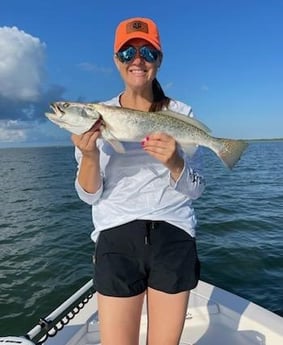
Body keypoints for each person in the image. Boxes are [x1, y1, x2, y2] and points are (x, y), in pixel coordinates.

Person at [71, 17, 205, 345]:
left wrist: (175, 162)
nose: (138, 60)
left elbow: (197, 188)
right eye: (128, 53)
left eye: (147, 51)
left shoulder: (180, 113)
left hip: (173, 233)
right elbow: (89, 196)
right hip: (116, 237)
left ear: (159, 59)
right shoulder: (96, 116)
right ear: (116, 60)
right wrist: (89, 155)